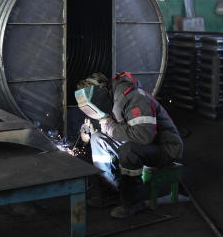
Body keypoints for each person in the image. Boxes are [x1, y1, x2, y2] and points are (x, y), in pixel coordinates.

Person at [76, 71, 183, 219]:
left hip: (165, 148)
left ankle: (133, 202)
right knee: (97, 139)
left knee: (129, 150)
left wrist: (109, 127)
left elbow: (143, 136)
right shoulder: (109, 100)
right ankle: (112, 191)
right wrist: (88, 132)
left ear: (103, 90)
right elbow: (114, 128)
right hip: (144, 144)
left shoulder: (134, 97)